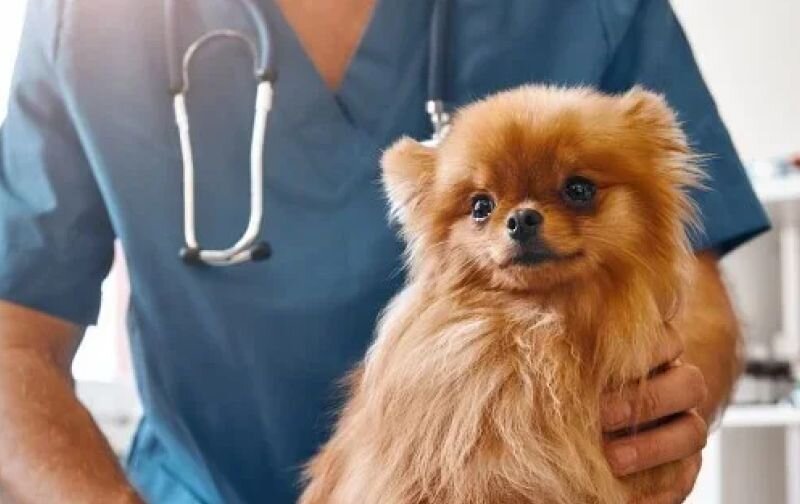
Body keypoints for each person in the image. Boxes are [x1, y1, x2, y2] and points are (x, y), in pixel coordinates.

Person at [0, 0, 769, 503]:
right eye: (483, 205)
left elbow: (689, 278)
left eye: (570, 194)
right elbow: (13, 347)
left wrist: (653, 421)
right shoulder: (89, 17)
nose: (523, 220)